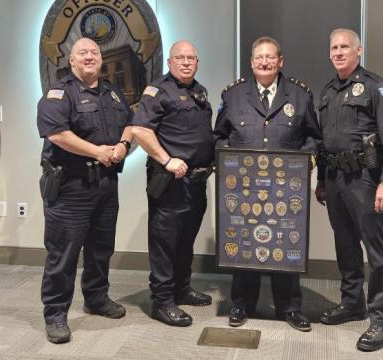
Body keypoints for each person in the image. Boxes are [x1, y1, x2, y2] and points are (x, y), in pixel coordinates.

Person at [214, 36, 321, 332]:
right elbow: (219, 136)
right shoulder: (233, 95)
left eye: (270, 57)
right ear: (251, 62)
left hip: (286, 190)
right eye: (259, 57)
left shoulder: (300, 96)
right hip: (244, 188)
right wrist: (228, 165)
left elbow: (313, 137)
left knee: (286, 245)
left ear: (280, 61)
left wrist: (307, 162)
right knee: (245, 243)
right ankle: (241, 303)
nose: (264, 62)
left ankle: (290, 307)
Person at [37, 37, 133, 344]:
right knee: (63, 254)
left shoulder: (113, 92)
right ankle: (55, 314)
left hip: (105, 185)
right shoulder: (58, 94)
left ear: (101, 60)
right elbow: (57, 134)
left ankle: (96, 298)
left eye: (94, 52)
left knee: (101, 248)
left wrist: (123, 144)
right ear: (72, 61)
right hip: (70, 187)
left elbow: (130, 124)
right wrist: (98, 152)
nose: (90, 56)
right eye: (83, 53)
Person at [315, 28, 383, 352]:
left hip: (367, 181)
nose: (339, 52)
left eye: (345, 47)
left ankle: (382, 321)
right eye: (334, 47)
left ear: (358, 50)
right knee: (346, 247)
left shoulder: (376, 88)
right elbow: (325, 142)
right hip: (337, 181)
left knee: (378, 254)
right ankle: (352, 303)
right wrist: (322, 180)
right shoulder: (326, 93)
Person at [131, 40, 214, 327]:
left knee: (185, 239)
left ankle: (182, 287)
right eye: (181, 58)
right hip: (170, 182)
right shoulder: (158, 91)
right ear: (170, 62)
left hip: (196, 181)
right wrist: (166, 160)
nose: (187, 62)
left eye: (192, 58)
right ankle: (162, 301)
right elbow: (140, 130)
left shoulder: (199, 91)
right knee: (165, 242)